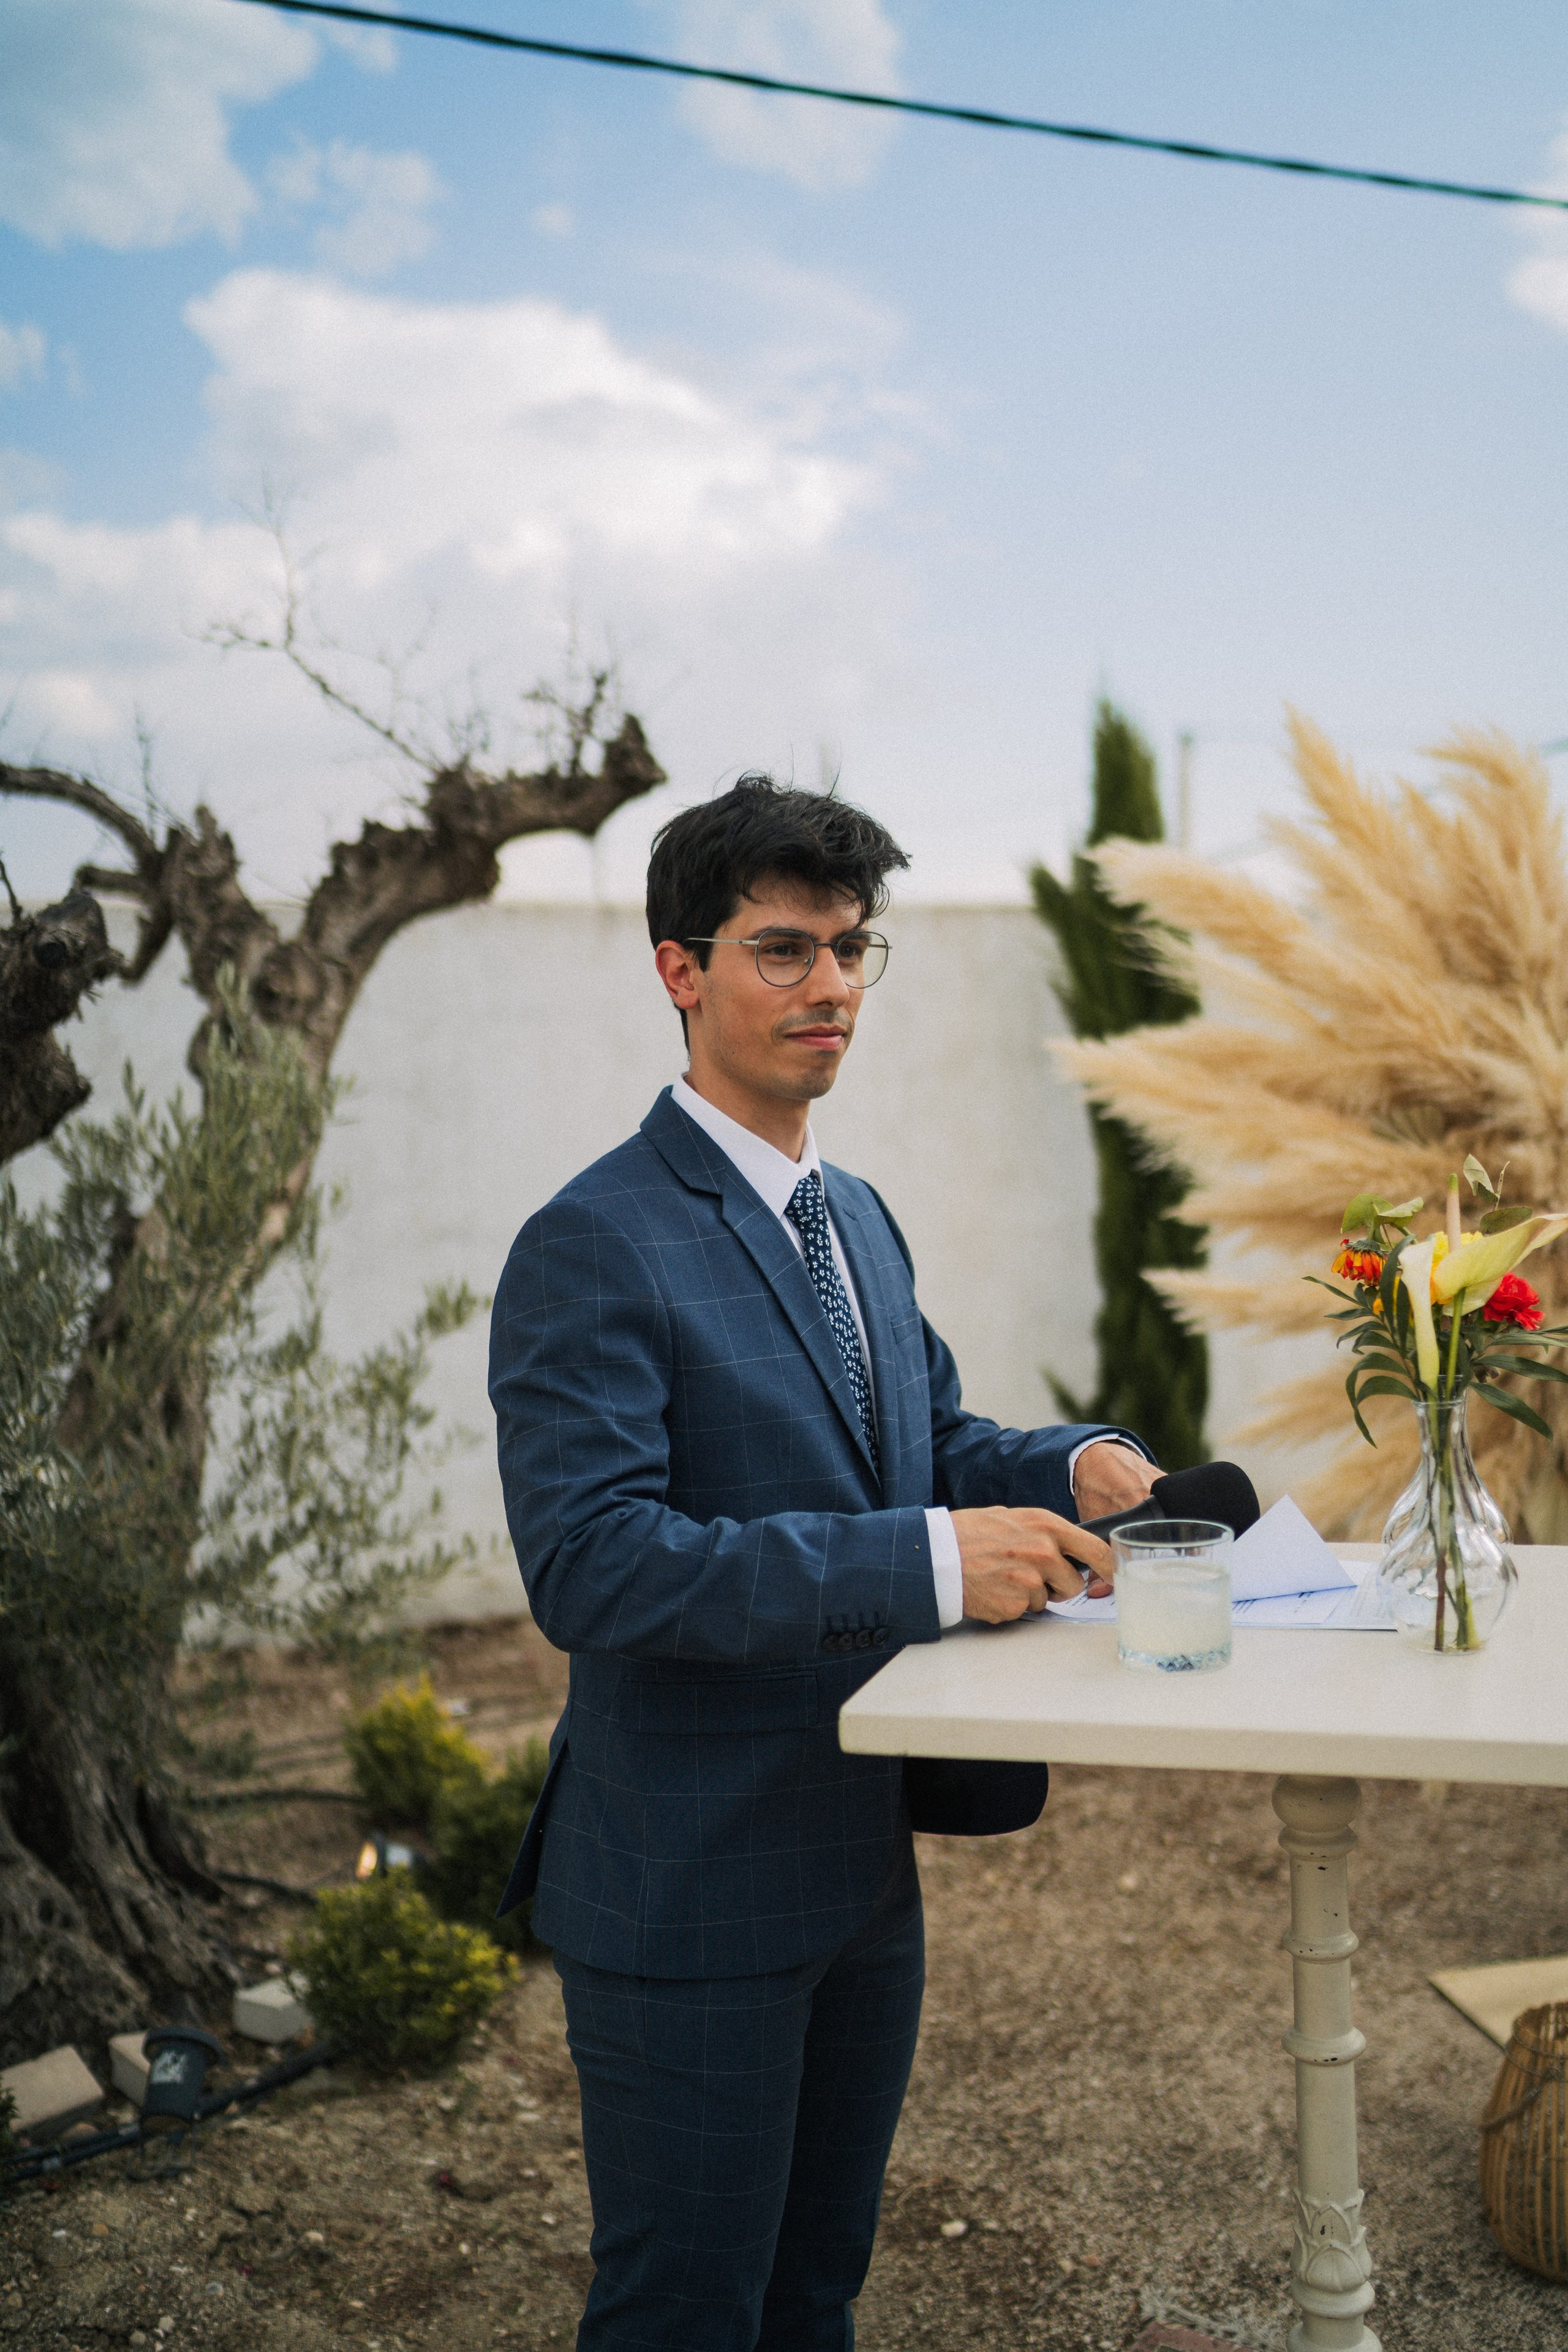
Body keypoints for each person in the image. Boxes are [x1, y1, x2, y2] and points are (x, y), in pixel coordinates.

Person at [489, 777, 1159, 2351]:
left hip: (861, 1870)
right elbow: (592, 1564)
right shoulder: (592, 1240)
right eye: (782, 950)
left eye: (851, 950)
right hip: (687, 1887)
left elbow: (924, 1440)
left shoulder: (851, 1213)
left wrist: (1070, 1463)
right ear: (679, 969)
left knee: (813, 2297)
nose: (831, 987)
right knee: (682, 2314)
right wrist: (927, 1563)